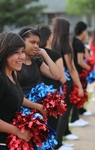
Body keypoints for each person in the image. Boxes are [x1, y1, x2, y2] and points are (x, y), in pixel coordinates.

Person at [0, 32, 47, 150]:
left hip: (10, 140)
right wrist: (17, 131)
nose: (22, 57)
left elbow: (14, 97)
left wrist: (38, 107)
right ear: (4, 53)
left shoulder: (13, 74)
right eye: (16, 53)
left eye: (22, 51)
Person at [51, 17, 84, 150]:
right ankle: (58, 143)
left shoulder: (51, 43)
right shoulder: (65, 44)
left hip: (53, 81)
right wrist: (80, 86)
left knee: (57, 114)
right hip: (65, 82)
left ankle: (60, 139)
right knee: (65, 113)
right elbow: (71, 68)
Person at [36, 24, 66, 131]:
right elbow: (62, 78)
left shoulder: (35, 55)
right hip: (52, 97)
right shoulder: (54, 55)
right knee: (51, 129)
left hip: (37, 96)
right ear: (50, 36)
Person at [17, 27, 62, 95]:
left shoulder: (37, 61)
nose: (36, 46)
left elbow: (57, 76)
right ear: (22, 41)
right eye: (32, 42)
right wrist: (38, 106)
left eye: (37, 43)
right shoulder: (16, 61)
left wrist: (45, 54)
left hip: (37, 102)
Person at [70, 21, 92, 127]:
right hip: (79, 72)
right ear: (83, 31)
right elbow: (79, 61)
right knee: (78, 94)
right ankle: (75, 118)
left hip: (77, 71)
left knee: (79, 93)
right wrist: (90, 68)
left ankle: (77, 115)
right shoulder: (78, 43)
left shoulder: (74, 40)